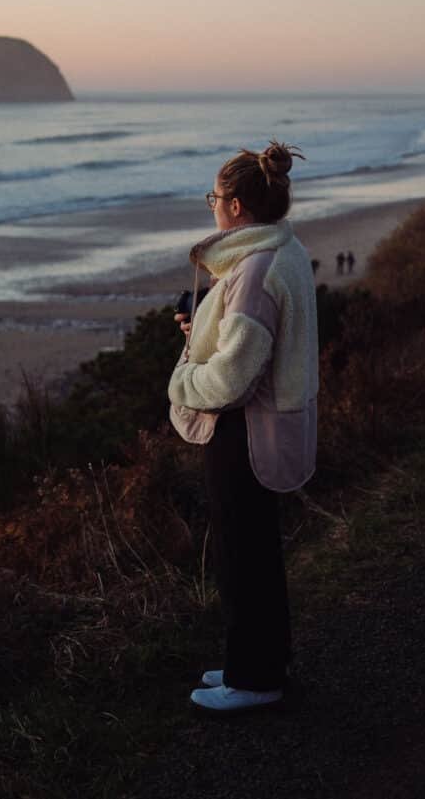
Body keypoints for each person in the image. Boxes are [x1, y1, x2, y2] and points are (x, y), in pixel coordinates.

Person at [169, 140, 319, 713]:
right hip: (268, 426)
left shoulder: (254, 270)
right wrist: (196, 330)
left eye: (215, 196)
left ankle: (254, 681)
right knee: (257, 551)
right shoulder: (283, 250)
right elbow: (250, 343)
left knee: (242, 555)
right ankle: (258, 660)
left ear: (234, 206)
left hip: (246, 433)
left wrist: (181, 383)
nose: (212, 206)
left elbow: (232, 375)